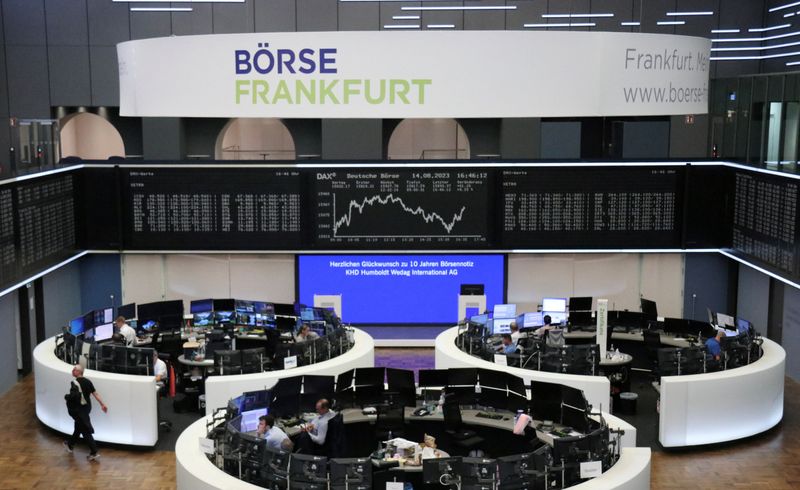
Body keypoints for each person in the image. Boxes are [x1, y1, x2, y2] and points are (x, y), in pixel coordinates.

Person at [63, 364, 107, 461]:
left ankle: (94, 452)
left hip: (79, 410)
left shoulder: (74, 383)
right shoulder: (88, 381)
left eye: (74, 369)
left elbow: (73, 396)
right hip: (87, 408)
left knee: (85, 430)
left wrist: (66, 396)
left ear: (79, 372)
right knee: (78, 427)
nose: (72, 370)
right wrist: (102, 404)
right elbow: (95, 394)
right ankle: (70, 445)